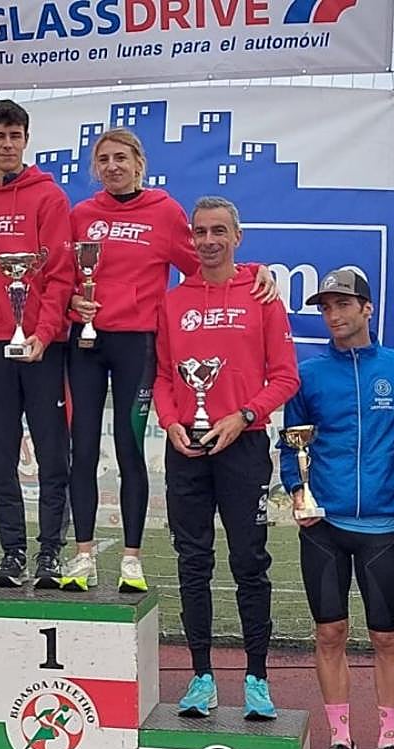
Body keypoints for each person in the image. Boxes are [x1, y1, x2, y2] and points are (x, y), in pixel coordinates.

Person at [65, 129, 276, 592]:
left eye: (122, 157)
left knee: (128, 444)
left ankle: (131, 558)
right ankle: (82, 555)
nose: (113, 166)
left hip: (137, 341)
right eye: (104, 159)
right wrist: (70, 307)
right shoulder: (81, 215)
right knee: (80, 446)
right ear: (95, 168)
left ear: (139, 163)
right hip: (86, 342)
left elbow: (203, 262)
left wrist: (251, 271)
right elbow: (64, 280)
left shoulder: (163, 211)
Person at [153, 196, 298, 721]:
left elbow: (285, 377)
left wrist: (243, 417)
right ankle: (200, 678)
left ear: (238, 237)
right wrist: (171, 422)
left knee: (249, 563)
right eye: (199, 232)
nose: (208, 240)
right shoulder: (173, 300)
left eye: (219, 231)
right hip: (187, 450)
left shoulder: (259, 294)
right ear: (190, 238)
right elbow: (166, 377)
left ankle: (257, 678)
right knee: (193, 563)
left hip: (243, 446)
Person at [277, 267, 394, 749]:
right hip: (324, 522)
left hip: (383, 524)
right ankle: (342, 744)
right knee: (329, 631)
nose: (334, 316)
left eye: (343, 305)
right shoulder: (309, 374)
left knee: (386, 636)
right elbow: (290, 444)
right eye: (326, 308)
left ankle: (389, 745)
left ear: (367, 309)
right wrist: (298, 490)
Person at [0, 99, 73, 589]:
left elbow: (59, 274)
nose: (6, 145)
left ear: (26, 140)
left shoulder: (49, 198)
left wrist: (43, 334)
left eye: (15, 136)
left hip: (42, 347)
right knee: (0, 453)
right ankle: (12, 552)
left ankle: (50, 552)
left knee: (53, 452)